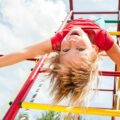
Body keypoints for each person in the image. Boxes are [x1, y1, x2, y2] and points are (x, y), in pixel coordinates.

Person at [0, 18, 120, 108]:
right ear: (94, 49)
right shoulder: (102, 37)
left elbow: (25, 52)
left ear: (59, 51)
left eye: (66, 50)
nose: (72, 42)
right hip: (96, 24)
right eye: (80, 49)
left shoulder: (60, 40)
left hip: (74, 22)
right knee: (100, 21)